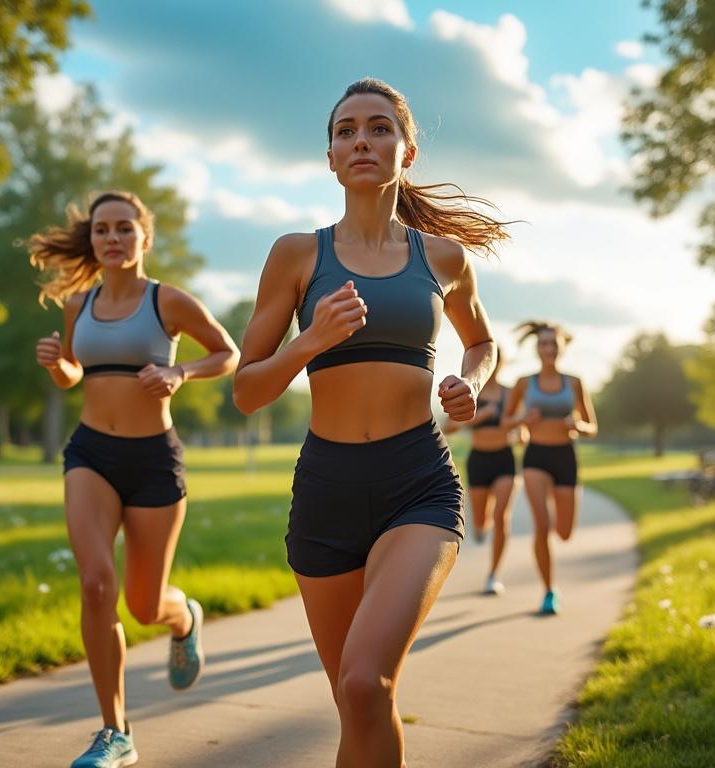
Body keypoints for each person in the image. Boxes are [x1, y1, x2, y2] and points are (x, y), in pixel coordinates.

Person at [233, 77, 508, 767]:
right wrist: (310, 341)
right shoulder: (297, 255)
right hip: (325, 488)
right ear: (330, 157)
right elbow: (246, 391)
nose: (362, 140)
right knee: (357, 703)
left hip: (417, 484)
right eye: (346, 130)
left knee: (365, 682)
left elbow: (482, 341)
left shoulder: (442, 257)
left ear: (406, 152)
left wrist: (469, 384)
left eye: (379, 128)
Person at [31, 190, 240, 768]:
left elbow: (227, 353)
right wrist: (57, 363)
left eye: (124, 228)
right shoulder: (79, 304)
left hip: (153, 461)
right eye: (102, 230)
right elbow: (74, 375)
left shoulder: (167, 300)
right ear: (92, 239)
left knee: (145, 606)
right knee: (97, 585)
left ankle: (183, 616)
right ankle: (115, 731)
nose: (113, 238)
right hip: (90, 454)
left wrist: (180, 372)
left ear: (144, 237)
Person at [504, 321, 598, 615]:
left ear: (562, 347)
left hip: (565, 457)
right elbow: (505, 421)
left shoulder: (575, 382)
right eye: (543, 344)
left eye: (553, 344)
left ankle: (556, 510)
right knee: (542, 526)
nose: (549, 349)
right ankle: (548, 590)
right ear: (537, 348)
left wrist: (578, 425)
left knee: (565, 532)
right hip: (536, 457)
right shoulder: (524, 383)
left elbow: (592, 427)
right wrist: (523, 420)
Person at [443, 355, 517, 595]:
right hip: (479, 461)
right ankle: (481, 526)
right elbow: (447, 426)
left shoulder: (510, 393)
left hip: (504, 459)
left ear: (501, 363)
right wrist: (478, 418)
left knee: (502, 517)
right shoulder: (472, 391)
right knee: (480, 520)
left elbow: (520, 423)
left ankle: (494, 574)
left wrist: (521, 430)